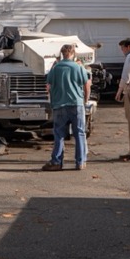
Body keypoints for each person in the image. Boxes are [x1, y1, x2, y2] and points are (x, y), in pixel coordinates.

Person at [42, 43, 92, 171]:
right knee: (80, 133)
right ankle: (80, 162)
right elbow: (86, 85)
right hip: (76, 104)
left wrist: (51, 98)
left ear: (62, 54)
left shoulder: (55, 68)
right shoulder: (79, 67)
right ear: (73, 54)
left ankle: (57, 162)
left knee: (59, 134)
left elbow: (48, 85)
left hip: (59, 105)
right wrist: (85, 100)